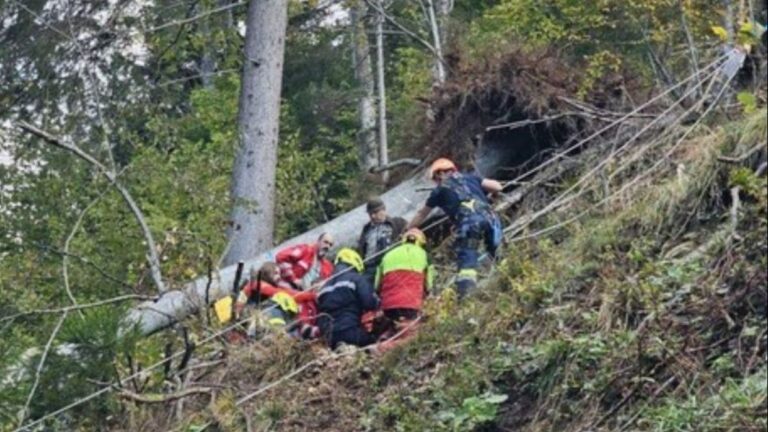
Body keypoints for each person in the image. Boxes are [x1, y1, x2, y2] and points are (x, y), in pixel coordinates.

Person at [407, 158, 503, 298]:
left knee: (467, 261)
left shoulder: (439, 191)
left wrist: (407, 228)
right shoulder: (470, 177)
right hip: (490, 219)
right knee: (496, 251)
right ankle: (508, 274)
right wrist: (493, 196)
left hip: (469, 224)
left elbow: (422, 214)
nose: (436, 182)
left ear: (439, 174)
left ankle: (466, 295)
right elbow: (497, 186)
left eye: (435, 178)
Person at [235, 262, 320, 339]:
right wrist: (311, 295)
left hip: (258, 318)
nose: (279, 276)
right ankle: (283, 333)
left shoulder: (265, 285)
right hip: (251, 318)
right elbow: (286, 294)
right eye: (275, 273)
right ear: (267, 273)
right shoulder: (258, 284)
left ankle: (301, 329)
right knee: (281, 301)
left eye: (279, 274)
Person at [317, 248, 380, 350]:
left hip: (328, 338)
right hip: (350, 332)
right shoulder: (355, 278)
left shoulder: (324, 287)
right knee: (377, 339)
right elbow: (370, 302)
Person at [375, 228, 433, 323]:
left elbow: (377, 285)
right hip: (411, 304)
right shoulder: (424, 255)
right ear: (421, 242)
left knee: (391, 330)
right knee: (409, 332)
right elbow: (429, 286)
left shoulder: (387, 255)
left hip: (388, 305)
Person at [357, 197, 407, 284]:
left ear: (384, 210)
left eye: (375, 212)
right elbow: (361, 249)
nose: (373, 216)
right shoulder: (366, 229)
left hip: (391, 264)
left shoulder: (397, 222)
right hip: (370, 267)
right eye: (370, 214)